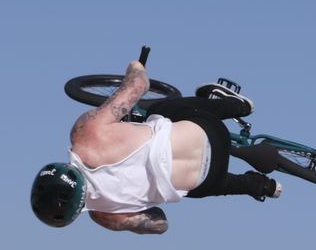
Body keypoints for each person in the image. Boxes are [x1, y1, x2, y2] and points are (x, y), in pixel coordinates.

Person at [31, 59, 282, 234]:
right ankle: (238, 106)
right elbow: (139, 86)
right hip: (209, 130)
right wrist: (135, 68)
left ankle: (262, 186)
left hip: (209, 178)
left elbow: (160, 224)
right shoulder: (86, 135)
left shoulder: (105, 217)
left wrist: (134, 206)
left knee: (190, 189)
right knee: (160, 111)